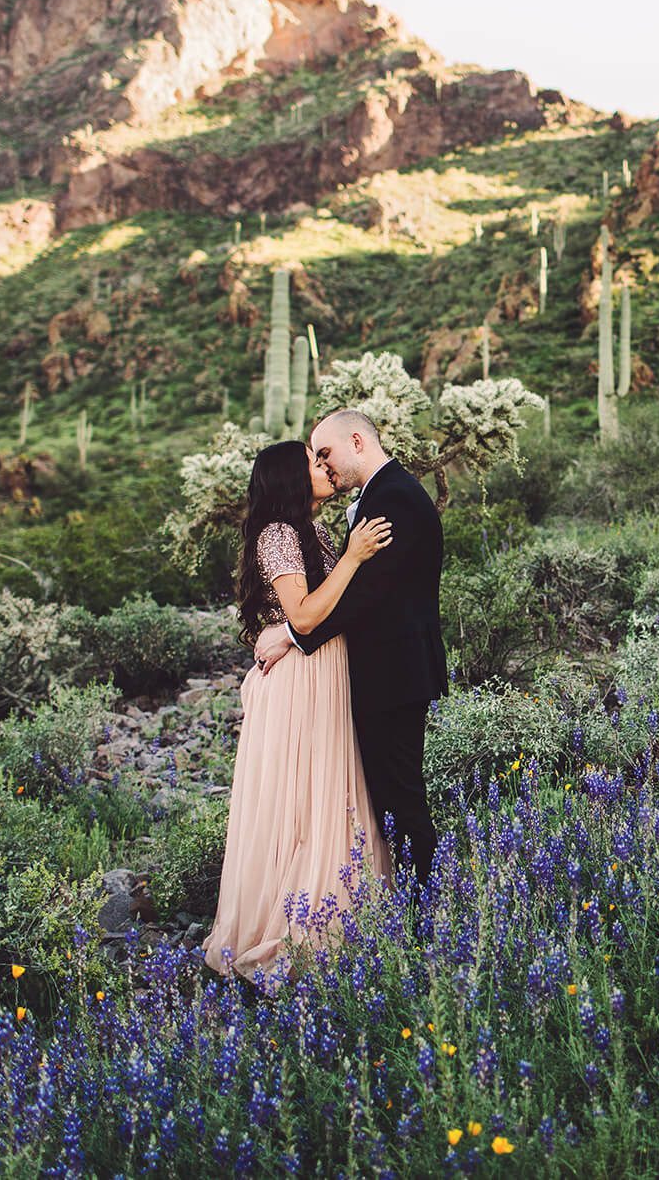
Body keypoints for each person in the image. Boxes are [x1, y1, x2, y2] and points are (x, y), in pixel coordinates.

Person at [201, 439, 394, 985]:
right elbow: (306, 615)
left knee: (326, 792)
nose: (325, 467)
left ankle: (338, 914)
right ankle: (292, 925)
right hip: (298, 683)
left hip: (325, 671)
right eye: (314, 462)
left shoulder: (316, 532)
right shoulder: (279, 535)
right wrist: (354, 558)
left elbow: (332, 607)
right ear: (290, 477)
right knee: (302, 799)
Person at [254, 408, 447, 888]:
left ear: (357, 441)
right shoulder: (383, 494)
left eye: (326, 454)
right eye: (315, 460)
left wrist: (292, 635)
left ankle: (422, 915)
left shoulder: (395, 498)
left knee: (398, 797)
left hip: (393, 673)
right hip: (372, 673)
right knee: (372, 795)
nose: (324, 466)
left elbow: (367, 593)